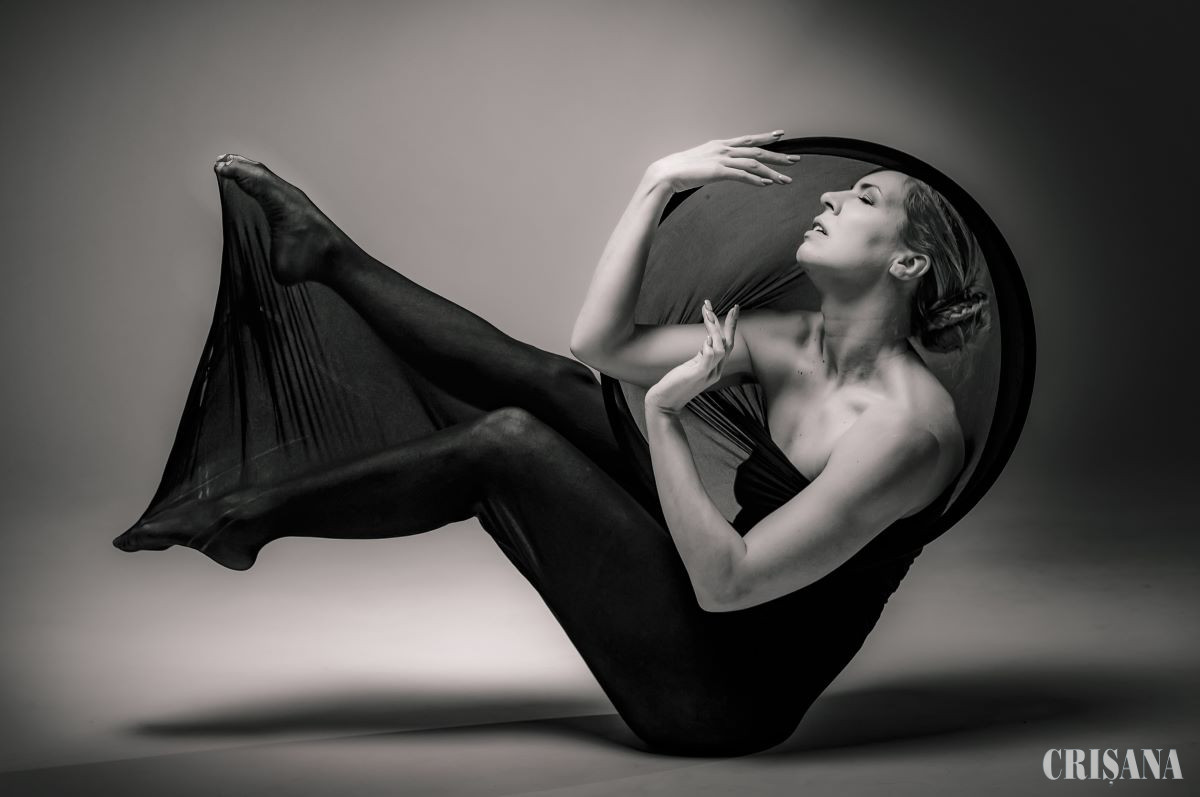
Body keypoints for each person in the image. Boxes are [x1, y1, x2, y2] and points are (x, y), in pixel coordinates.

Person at [114, 130, 990, 755]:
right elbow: (601, 347)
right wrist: (655, 183)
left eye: (864, 198)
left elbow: (728, 585)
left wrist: (664, 415)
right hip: (708, 597)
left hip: (723, 693)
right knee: (562, 389)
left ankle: (245, 516)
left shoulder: (906, 434)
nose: (830, 196)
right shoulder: (794, 340)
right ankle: (327, 254)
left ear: (907, 264)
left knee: (509, 445)